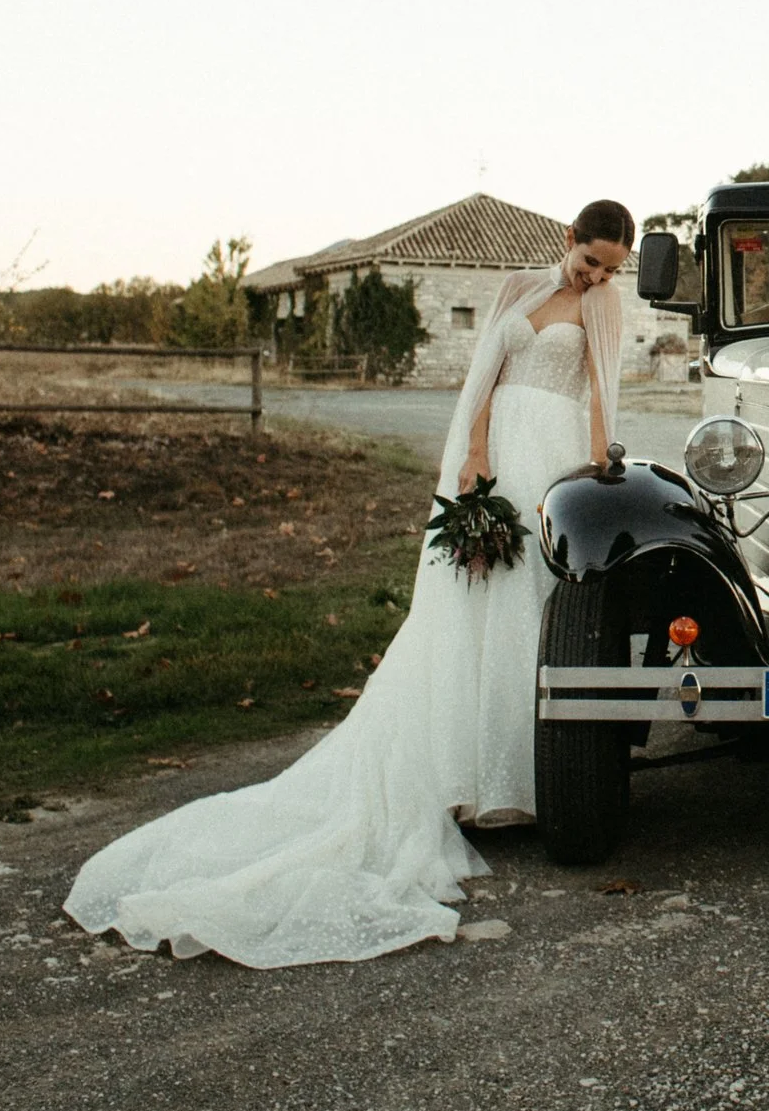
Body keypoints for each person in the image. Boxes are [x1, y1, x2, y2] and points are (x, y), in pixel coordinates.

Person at [62, 200, 635, 967]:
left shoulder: (605, 307)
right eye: (589, 259)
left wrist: (595, 471)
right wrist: (470, 455)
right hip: (498, 449)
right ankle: (456, 777)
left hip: (554, 452)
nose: (594, 275)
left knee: (529, 609)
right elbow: (486, 378)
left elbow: (601, 391)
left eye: (608, 268)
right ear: (567, 238)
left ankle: (528, 785)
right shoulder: (513, 288)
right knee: (468, 608)